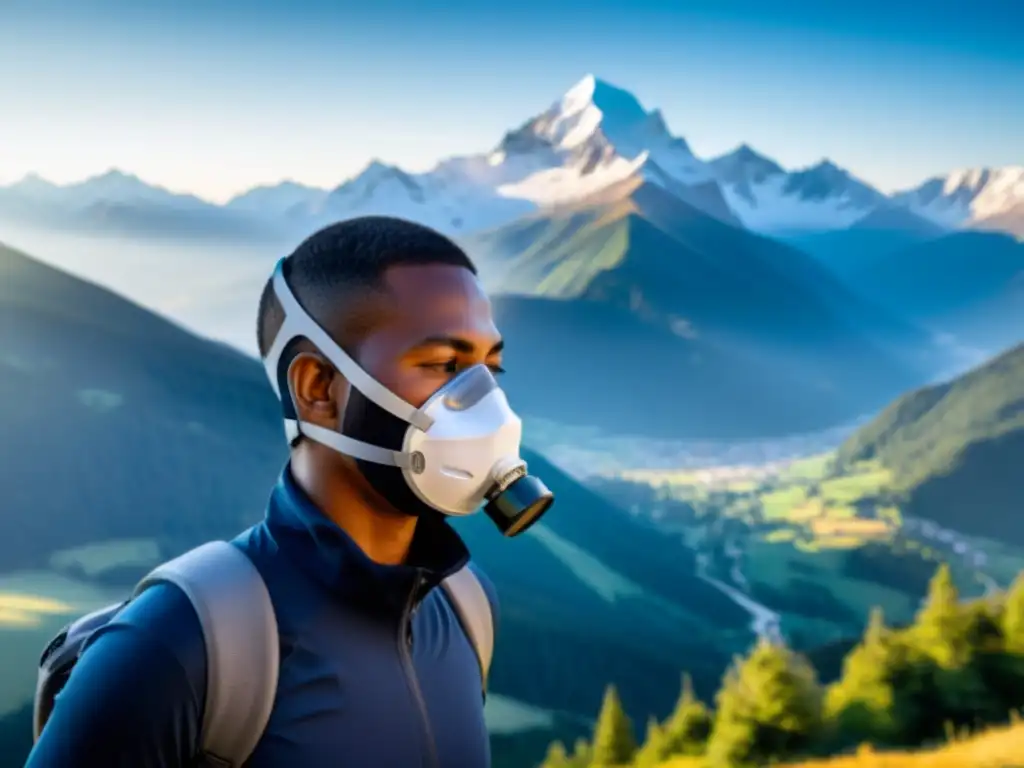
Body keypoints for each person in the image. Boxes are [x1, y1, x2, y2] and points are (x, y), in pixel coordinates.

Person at [26, 216, 553, 768]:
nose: (486, 404)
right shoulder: (174, 645)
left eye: (489, 367)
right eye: (444, 365)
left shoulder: (466, 606)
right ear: (317, 388)